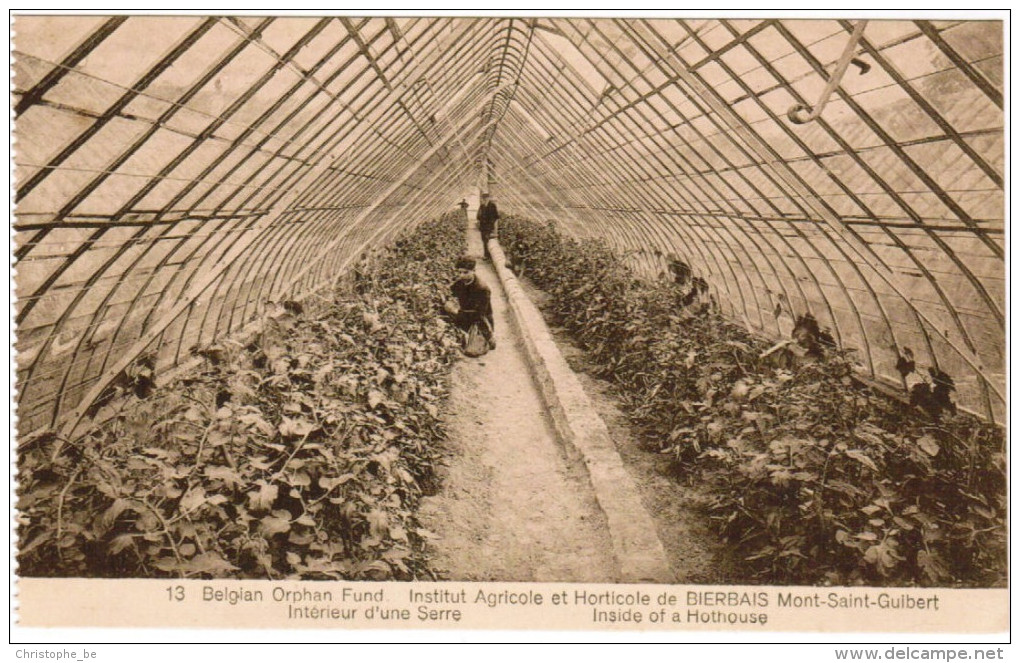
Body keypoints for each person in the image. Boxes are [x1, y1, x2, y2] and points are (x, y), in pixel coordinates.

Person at [446, 256, 495, 350]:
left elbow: (480, 314)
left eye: (465, 272)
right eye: (459, 272)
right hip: (464, 315)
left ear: (474, 270)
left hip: (478, 321)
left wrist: (455, 311)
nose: (462, 275)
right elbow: (449, 292)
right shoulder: (460, 283)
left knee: (472, 350)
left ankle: (488, 338)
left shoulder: (482, 289)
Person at [476, 193, 499, 259]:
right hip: (483, 226)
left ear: (488, 198)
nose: (484, 200)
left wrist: (491, 224)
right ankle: (486, 254)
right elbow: (478, 216)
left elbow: (496, 216)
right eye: (483, 199)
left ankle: (489, 255)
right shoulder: (482, 206)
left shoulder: (492, 206)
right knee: (484, 240)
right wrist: (481, 219)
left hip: (489, 226)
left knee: (488, 240)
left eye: (485, 198)